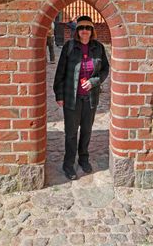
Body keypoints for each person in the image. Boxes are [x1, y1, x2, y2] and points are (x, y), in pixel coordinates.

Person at [53, 15, 109, 180]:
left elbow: (105, 69)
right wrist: (59, 94)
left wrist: (94, 81)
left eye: (88, 28)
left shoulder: (98, 48)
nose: (85, 31)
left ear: (92, 31)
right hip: (72, 97)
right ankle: (68, 163)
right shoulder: (69, 47)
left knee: (87, 130)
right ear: (77, 30)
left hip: (90, 98)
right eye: (81, 28)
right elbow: (60, 73)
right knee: (71, 132)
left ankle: (83, 159)